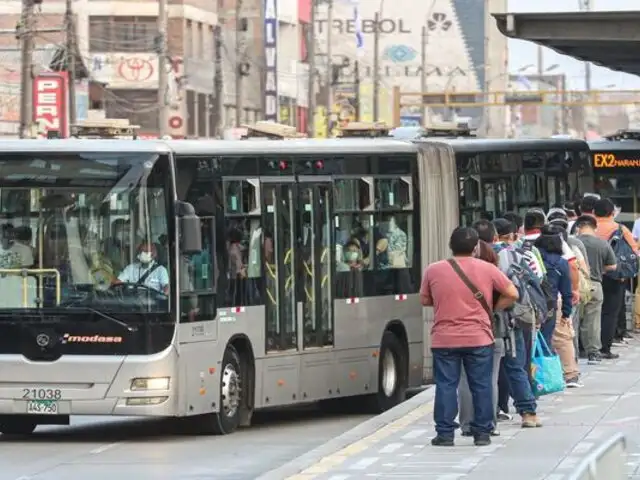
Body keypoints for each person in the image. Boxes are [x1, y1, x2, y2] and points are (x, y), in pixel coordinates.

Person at [421, 227, 518, 447]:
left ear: (450, 245)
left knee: (446, 385)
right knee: (481, 384)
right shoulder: (488, 269)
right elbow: (512, 293)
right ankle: (482, 433)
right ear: (476, 248)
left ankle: (445, 434)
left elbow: (425, 299)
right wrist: (492, 307)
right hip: (479, 337)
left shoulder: (433, 270)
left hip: (444, 338)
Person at [458, 221, 503, 437]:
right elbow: (513, 294)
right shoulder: (494, 271)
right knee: (488, 380)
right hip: (492, 332)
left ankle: (466, 424)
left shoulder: (446, 270)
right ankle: (487, 425)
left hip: (457, 334)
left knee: (464, 381)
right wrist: (494, 308)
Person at [594, 198, 638, 358]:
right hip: (615, 276)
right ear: (612, 212)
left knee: (592, 312)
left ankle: (590, 347)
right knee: (610, 312)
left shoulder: (587, 229)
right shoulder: (620, 229)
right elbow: (635, 251)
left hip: (591, 276)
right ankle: (605, 347)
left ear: (594, 212)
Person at [575, 215, 617, 364]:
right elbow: (613, 266)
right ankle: (593, 352)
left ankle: (574, 351)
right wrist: (600, 270)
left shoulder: (573, 242)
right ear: (595, 227)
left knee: (574, 319)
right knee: (592, 320)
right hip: (595, 284)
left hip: (576, 284)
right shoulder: (602, 243)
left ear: (578, 227)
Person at [535, 226, 573, 347]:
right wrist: (566, 312)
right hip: (549, 305)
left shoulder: (533, 257)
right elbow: (566, 291)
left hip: (531, 303)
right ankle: (543, 365)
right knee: (545, 340)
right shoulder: (561, 263)